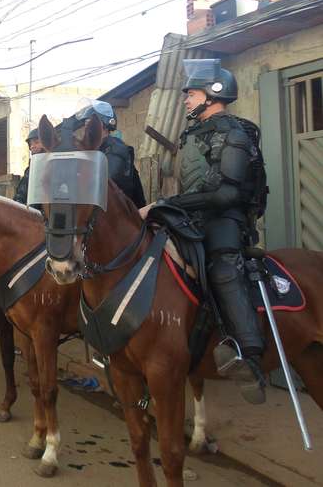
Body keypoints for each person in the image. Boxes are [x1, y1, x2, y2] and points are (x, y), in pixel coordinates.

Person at [140, 59, 267, 404]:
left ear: (213, 95)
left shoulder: (234, 134)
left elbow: (225, 193)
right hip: (193, 218)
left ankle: (248, 353)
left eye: (191, 94)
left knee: (223, 266)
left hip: (225, 220)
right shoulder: (194, 133)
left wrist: (170, 203)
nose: (185, 100)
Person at [63, 100, 147, 209]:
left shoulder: (116, 149)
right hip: (106, 212)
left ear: (104, 125)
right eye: (86, 124)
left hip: (124, 217)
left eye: (91, 124)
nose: (87, 129)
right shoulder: (97, 150)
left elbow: (108, 183)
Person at [13, 128, 44, 205]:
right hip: (33, 212)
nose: (32, 146)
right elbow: (21, 192)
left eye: (36, 142)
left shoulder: (54, 165)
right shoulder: (30, 169)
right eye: (31, 144)